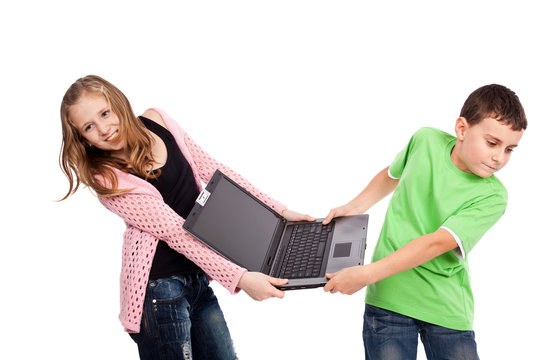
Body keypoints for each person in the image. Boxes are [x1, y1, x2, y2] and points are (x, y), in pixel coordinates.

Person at [59, 75, 314, 360]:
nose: (104, 129)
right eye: (89, 127)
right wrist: (240, 278)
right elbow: (176, 231)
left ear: (118, 103)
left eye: (105, 113)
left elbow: (217, 173)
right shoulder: (106, 178)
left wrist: (279, 212)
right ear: (83, 139)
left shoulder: (158, 120)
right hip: (159, 290)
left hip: (197, 277)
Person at [322, 84, 527, 359]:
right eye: (492, 143)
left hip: (446, 310)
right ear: (462, 129)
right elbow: (392, 174)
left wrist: (366, 274)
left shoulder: (493, 196)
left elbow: (435, 243)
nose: (498, 158)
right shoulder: (426, 140)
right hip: (389, 301)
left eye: (510, 149)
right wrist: (354, 206)